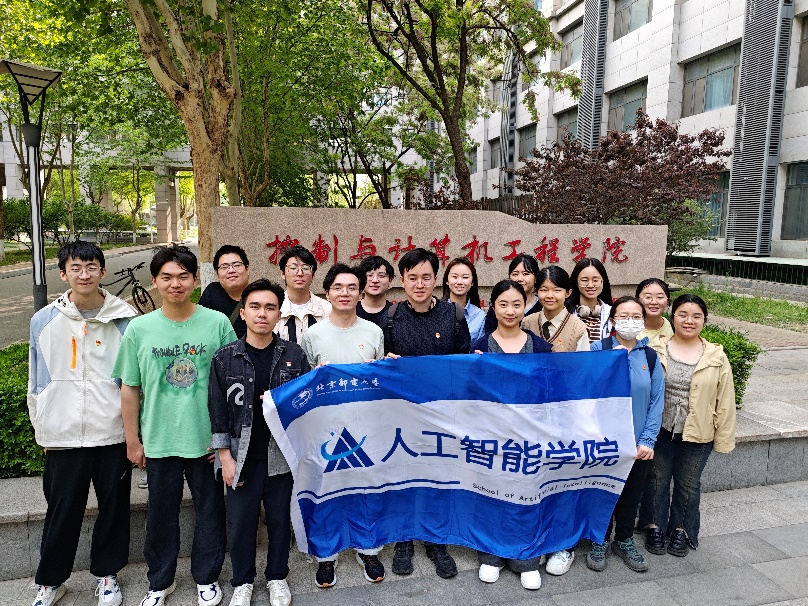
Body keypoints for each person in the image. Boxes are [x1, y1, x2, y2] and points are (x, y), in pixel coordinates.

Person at [113, 245, 237, 606]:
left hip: (207, 441)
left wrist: (226, 440)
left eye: (183, 276)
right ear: (154, 281)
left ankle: (207, 577)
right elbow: (129, 388)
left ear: (196, 280)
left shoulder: (217, 323)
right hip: (160, 439)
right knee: (160, 515)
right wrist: (132, 441)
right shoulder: (139, 329)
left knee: (210, 512)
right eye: (166, 277)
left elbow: (233, 383)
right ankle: (160, 581)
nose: (175, 284)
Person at [27, 241, 137, 606]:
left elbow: (133, 381)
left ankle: (107, 575)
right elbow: (36, 380)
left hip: (112, 433)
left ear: (103, 271)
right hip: (63, 434)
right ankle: (51, 581)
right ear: (63, 274)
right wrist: (42, 428)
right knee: (62, 511)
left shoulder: (126, 318)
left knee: (114, 508)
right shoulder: (44, 320)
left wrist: (134, 434)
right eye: (76, 268)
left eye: (91, 267)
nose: (84, 274)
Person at [209, 279, 310, 606]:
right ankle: (243, 581)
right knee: (241, 524)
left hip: (282, 456)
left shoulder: (294, 355)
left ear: (279, 313)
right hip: (242, 457)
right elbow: (217, 411)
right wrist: (225, 457)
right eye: (254, 306)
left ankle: (277, 577)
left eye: (270, 307)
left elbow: (306, 406)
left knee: (280, 522)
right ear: (243, 312)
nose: (262, 313)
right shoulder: (225, 358)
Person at [383, 248, 471, 579]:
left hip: (442, 414)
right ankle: (404, 540)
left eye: (426, 277)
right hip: (402, 413)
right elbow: (382, 364)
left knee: (438, 477)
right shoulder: (391, 317)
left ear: (436, 279)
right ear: (402, 280)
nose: (419, 284)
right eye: (412, 278)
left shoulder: (454, 315)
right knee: (404, 476)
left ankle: (436, 542)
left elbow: (463, 361)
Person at [300, 264, 386, 588]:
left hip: (366, 427)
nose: (345, 293)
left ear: (361, 293)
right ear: (327, 293)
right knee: (326, 490)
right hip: (326, 429)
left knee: (366, 489)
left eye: (352, 287)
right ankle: (327, 554)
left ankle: (369, 550)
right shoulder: (313, 335)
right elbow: (305, 384)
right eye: (338, 287)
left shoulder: (373, 332)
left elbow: (381, 381)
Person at [638, 294, 736, 557]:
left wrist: (724, 439)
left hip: (698, 431)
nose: (689, 321)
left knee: (689, 484)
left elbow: (725, 400)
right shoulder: (655, 348)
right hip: (659, 429)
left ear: (704, 320)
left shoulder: (716, 355)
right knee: (656, 480)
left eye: (696, 316)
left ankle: (682, 530)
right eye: (682, 314)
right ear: (673, 317)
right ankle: (654, 526)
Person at [473, 279, 551, 590]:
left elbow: (552, 394)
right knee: (491, 493)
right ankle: (491, 555)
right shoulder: (478, 348)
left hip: (529, 438)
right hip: (491, 436)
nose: (510, 310)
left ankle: (526, 559)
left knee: (527, 495)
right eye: (503, 304)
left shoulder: (541, 347)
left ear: (525, 306)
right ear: (492, 307)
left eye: (517, 304)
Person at [587, 296, 664, 573]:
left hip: (637, 443)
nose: (629, 321)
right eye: (623, 316)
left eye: (635, 316)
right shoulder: (598, 350)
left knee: (631, 493)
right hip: (604, 442)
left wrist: (647, 440)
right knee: (602, 491)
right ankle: (600, 539)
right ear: (612, 320)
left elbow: (657, 402)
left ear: (643, 321)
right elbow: (587, 393)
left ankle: (624, 539)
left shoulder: (650, 357)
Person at [522, 266, 589, 352]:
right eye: (544, 290)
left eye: (557, 290)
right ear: (537, 291)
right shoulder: (526, 323)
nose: (550, 296)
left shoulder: (578, 329)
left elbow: (583, 360)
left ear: (568, 293)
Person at [274, 246, 331, 343]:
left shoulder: (327, 309)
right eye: (293, 268)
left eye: (305, 268)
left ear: (313, 275)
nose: (300, 273)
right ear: (283, 274)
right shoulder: (274, 308)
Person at [199, 245, 251, 339]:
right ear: (217, 274)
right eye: (224, 267)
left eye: (236, 265)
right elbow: (201, 328)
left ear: (247, 269)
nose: (231, 270)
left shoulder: (258, 295)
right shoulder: (212, 292)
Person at [483, 254, 542, 334]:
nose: (520, 279)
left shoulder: (542, 306)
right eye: (515, 274)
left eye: (525, 274)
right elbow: (489, 334)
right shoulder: (498, 306)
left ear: (536, 278)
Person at [569, 258, 614, 342]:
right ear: (576, 283)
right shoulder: (566, 313)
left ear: (602, 282)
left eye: (595, 280)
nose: (590, 285)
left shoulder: (612, 313)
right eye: (584, 280)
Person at [442, 257, 486, 343]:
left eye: (465, 277)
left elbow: (480, 347)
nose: (459, 282)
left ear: (472, 282)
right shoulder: (436, 311)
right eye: (455, 277)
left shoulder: (480, 316)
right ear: (447, 281)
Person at [356, 255, 395, 328]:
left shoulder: (396, 313)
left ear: (390, 280)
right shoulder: (351, 311)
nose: (375, 280)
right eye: (369, 275)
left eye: (381, 276)